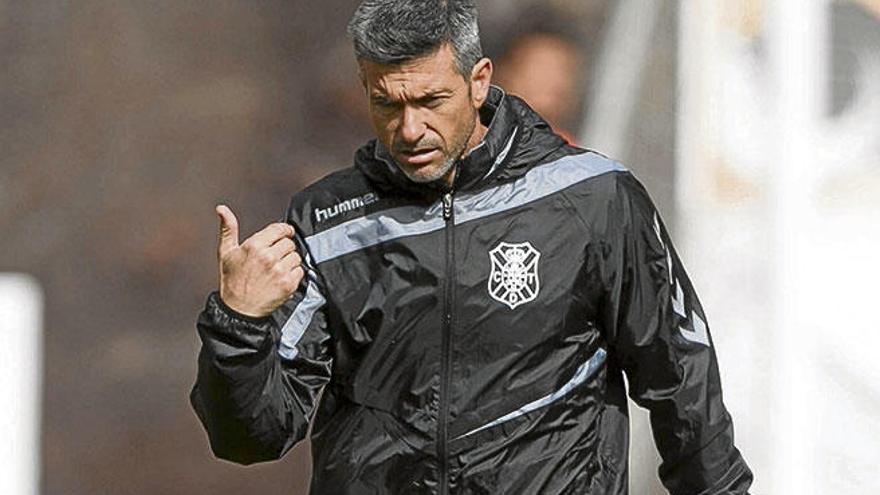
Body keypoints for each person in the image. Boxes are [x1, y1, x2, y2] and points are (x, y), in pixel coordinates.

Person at [190, 1, 753, 493]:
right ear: (365, 86)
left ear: (479, 80)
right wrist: (239, 325)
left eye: (431, 100)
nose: (409, 129)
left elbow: (679, 375)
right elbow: (251, 440)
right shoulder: (326, 226)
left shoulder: (593, 198)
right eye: (388, 104)